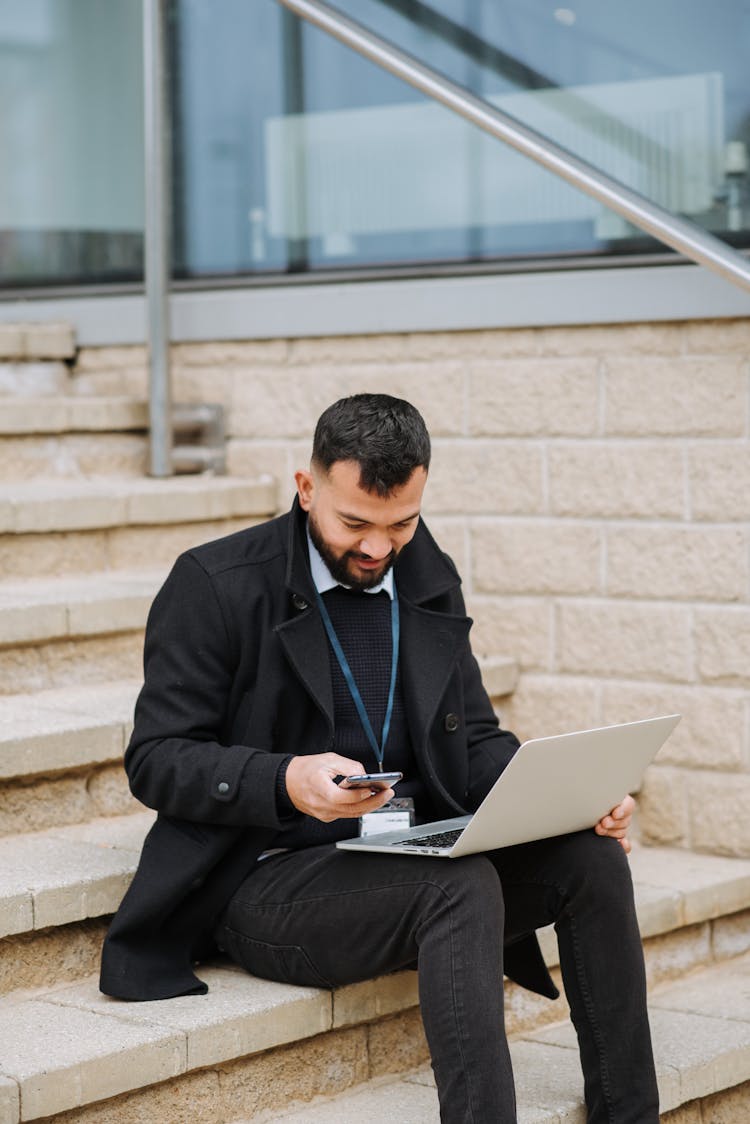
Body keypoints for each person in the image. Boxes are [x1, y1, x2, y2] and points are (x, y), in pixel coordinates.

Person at [101, 393, 659, 1123]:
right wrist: (286, 780)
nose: (377, 548)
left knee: (591, 857)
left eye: (402, 523)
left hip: (406, 851)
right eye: (354, 523)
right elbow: (156, 758)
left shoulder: (426, 570)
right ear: (306, 488)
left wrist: (567, 796)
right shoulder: (215, 584)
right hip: (267, 878)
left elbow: (476, 739)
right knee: (460, 889)